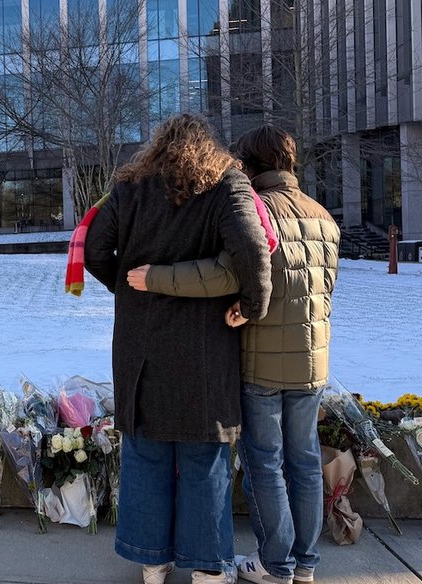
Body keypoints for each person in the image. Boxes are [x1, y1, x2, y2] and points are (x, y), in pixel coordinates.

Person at [127, 124, 340, 584]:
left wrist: (156, 278)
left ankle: (275, 565)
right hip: (313, 362)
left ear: (249, 163)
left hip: (261, 361)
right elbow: (326, 288)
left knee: (266, 463)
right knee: (304, 461)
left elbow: (226, 273)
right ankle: (305, 564)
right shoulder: (324, 215)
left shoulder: (253, 208)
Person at [85, 114, 273, 584]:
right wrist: (252, 304)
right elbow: (253, 248)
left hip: (140, 347)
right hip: (203, 346)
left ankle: (153, 561)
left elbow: (93, 250)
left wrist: (129, 291)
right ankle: (208, 567)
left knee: (147, 452)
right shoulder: (226, 183)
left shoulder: (130, 187)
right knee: (203, 455)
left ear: (157, 146)